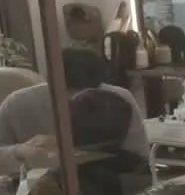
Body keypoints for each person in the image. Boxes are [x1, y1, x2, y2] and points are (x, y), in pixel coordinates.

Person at [0, 46, 149, 171]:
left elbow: (139, 156)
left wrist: (73, 146)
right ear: (51, 83)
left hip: (105, 184)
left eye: (89, 95)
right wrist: (18, 151)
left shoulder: (118, 99)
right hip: (35, 190)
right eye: (69, 93)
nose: (78, 101)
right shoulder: (18, 104)